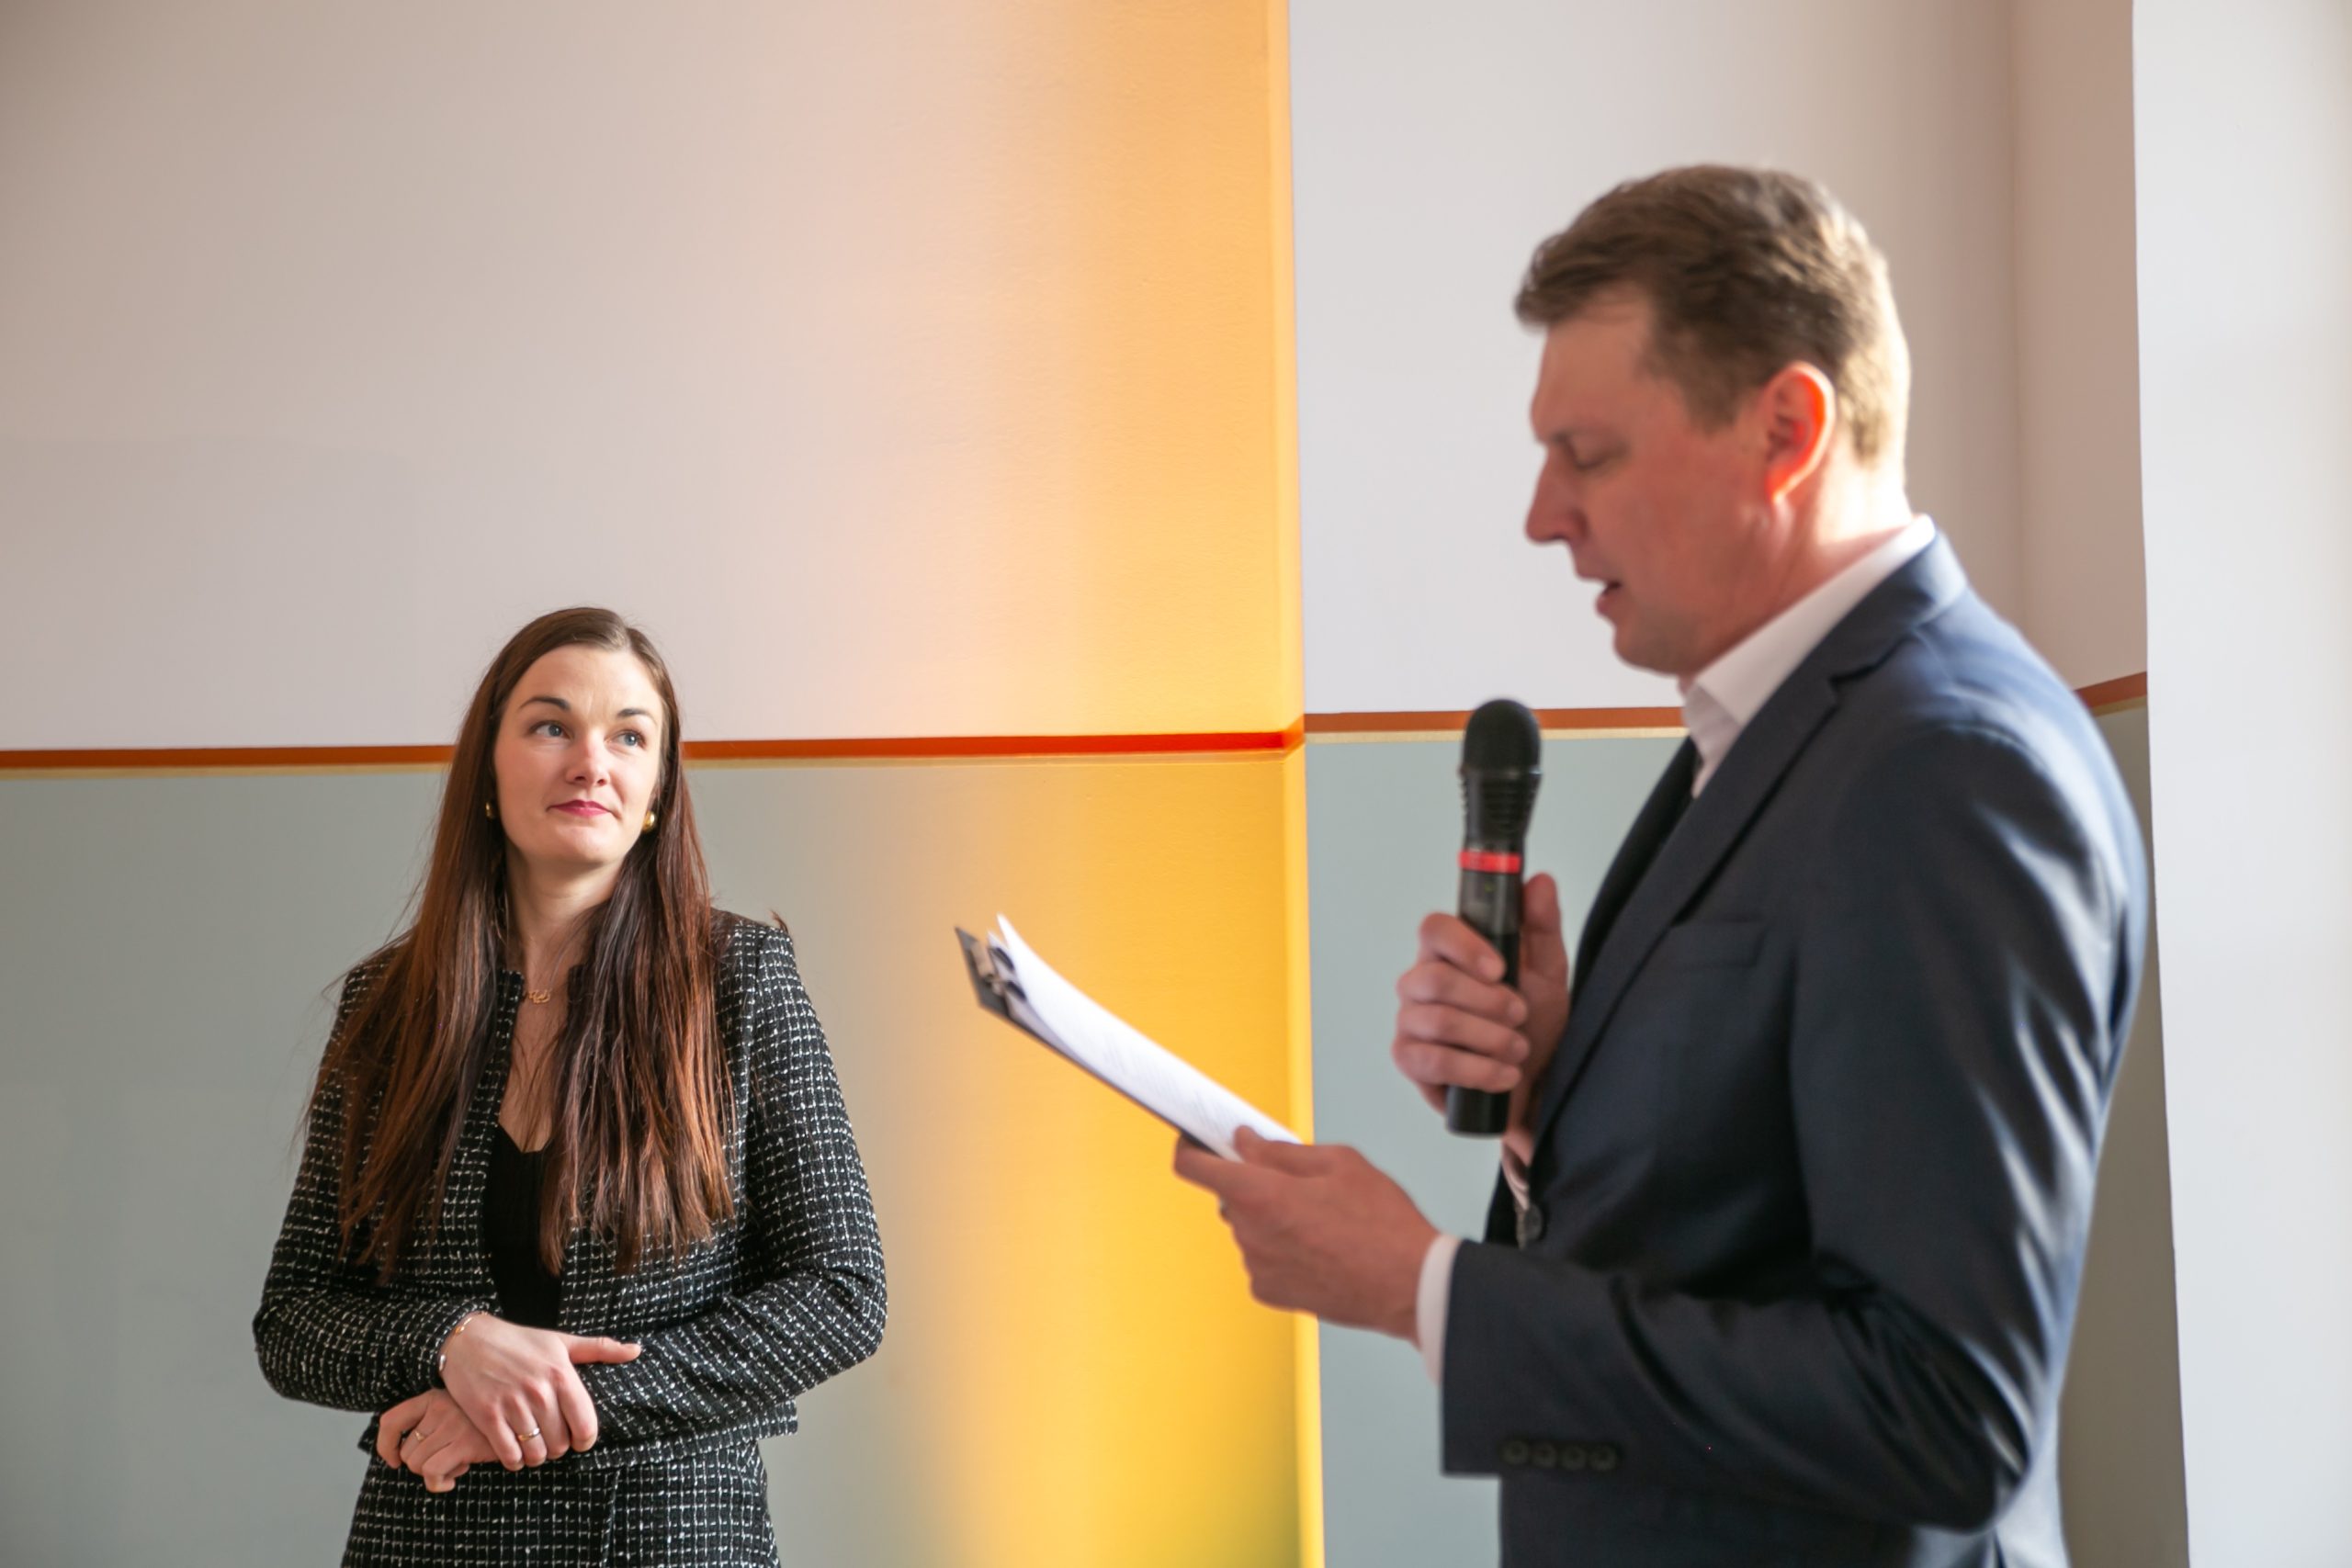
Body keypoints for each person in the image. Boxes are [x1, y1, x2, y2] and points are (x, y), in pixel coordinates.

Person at [1175, 165, 2146, 1566]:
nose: (1542, 513)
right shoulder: (1769, 729)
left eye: (1589, 453)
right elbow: (1730, 1221)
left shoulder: (1949, 765)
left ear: (1786, 429)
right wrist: (1543, 1101)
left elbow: (1945, 1410)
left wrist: (1425, 1288)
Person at [254, 606, 886, 1566]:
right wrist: (452, 1341)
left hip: (670, 1538)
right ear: (488, 768)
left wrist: (548, 1403)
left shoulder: (741, 980)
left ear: (658, 787)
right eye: (551, 725)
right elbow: (294, 1319)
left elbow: (839, 1293)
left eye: (629, 736)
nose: (591, 762)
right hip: (428, 1536)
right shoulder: (387, 1005)